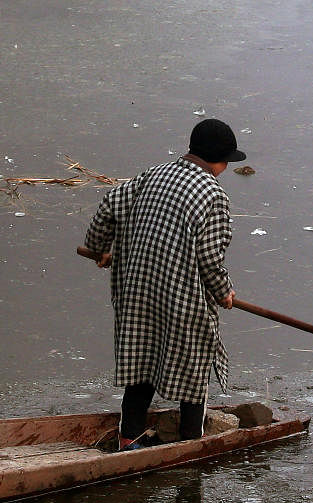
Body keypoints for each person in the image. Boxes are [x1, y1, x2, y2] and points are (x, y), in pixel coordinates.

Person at [84, 118, 246, 449]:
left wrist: (100, 246)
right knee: (194, 364)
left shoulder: (153, 175)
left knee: (141, 359)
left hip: (138, 290)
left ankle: (128, 437)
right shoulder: (213, 195)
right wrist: (223, 292)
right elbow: (209, 258)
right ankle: (189, 442)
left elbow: (108, 206)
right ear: (219, 160)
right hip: (181, 297)